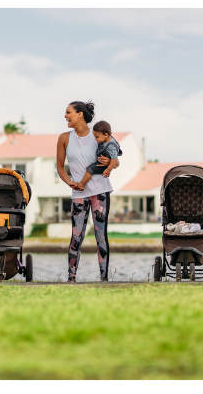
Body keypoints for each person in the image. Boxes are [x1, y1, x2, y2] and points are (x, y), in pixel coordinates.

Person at [56, 101, 118, 282]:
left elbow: (116, 160)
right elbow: (60, 167)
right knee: (76, 236)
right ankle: (71, 278)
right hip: (78, 194)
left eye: (68, 112)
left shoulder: (98, 134)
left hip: (100, 192)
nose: (65, 116)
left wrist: (110, 164)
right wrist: (70, 183)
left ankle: (104, 279)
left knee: (100, 236)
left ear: (79, 114)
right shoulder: (64, 138)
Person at [73, 120, 122, 191]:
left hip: (102, 165)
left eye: (97, 137)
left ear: (106, 134)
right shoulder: (106, 138)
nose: (95, 139)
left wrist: (108, 169)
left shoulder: (111, 146)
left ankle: (82, 184)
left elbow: (114, 159)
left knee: (90, 169)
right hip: (103, 162)